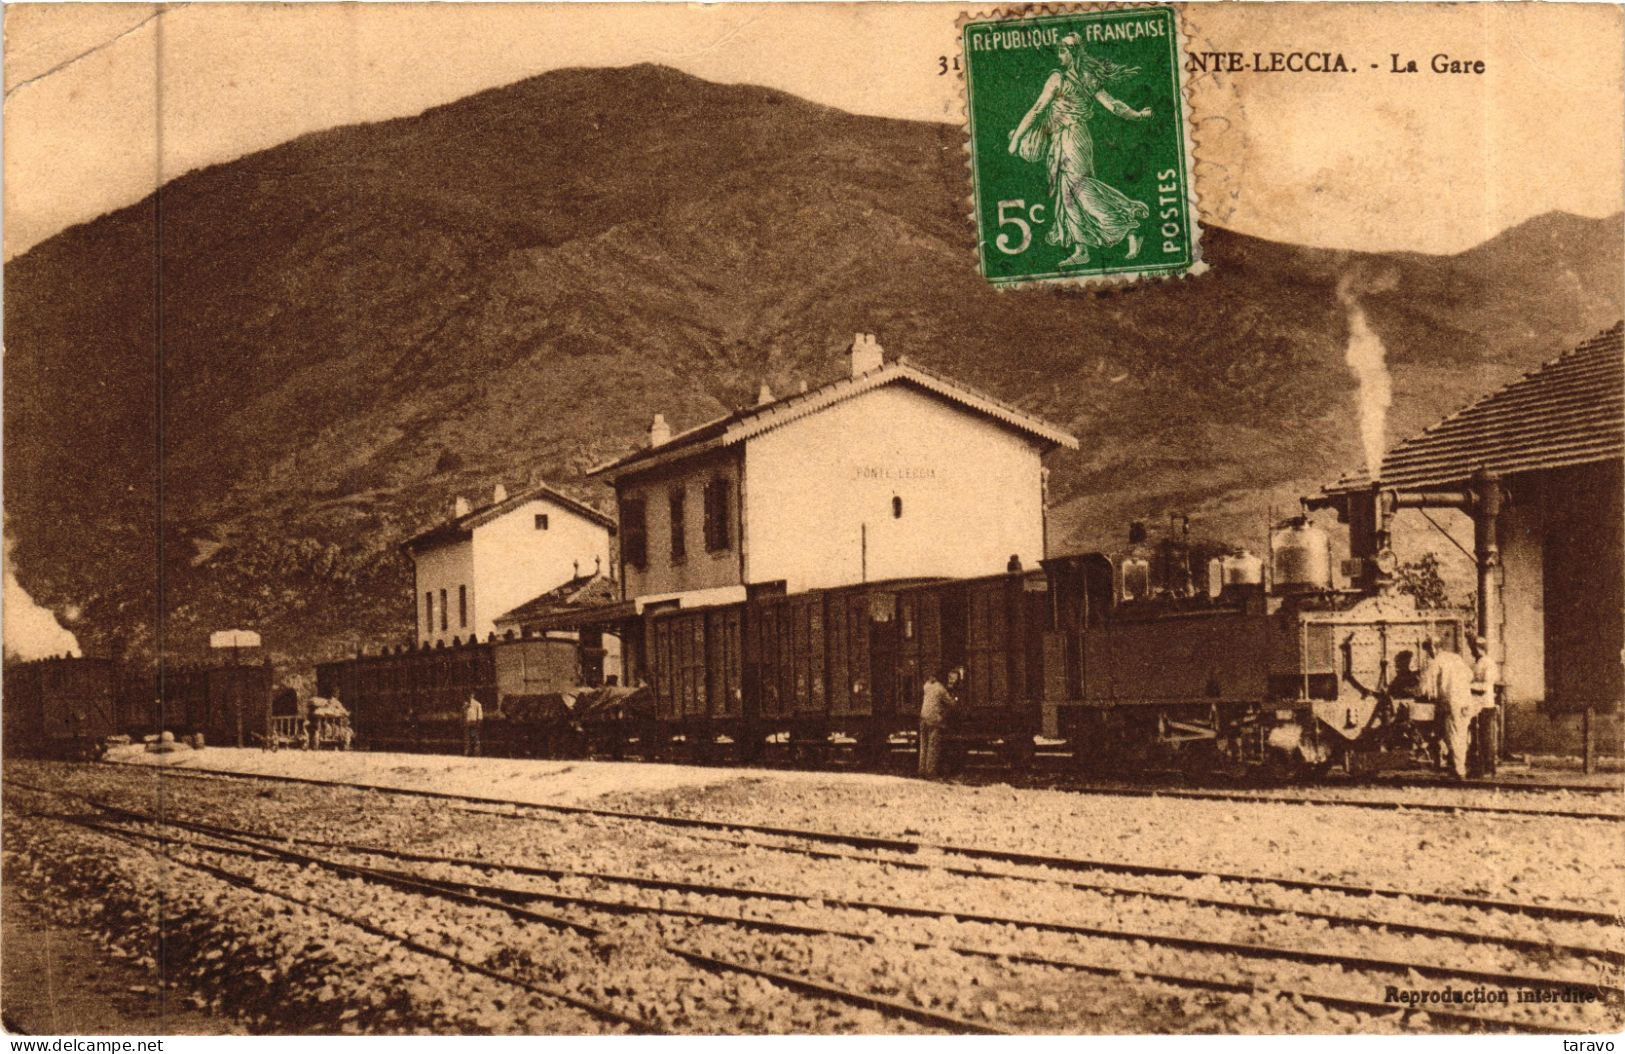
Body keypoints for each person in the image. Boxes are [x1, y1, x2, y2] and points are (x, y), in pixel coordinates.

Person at [1007, 33, 1154, 266]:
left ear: (1073, 53)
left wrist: (1016, 140)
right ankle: (1081, 248)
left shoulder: (1060, 79)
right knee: (1067, 193)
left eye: (1063, 51)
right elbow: (1114, 105)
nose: (1060, 55)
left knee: (1080, 188)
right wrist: (1136, 115)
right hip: (1066, 138)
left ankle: (1129, 228)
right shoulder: (1085, 78)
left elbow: (1037, 109)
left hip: (1073, 138)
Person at [1421, 637, 1477, 779]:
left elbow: (1424, 687)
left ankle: (1459, 771)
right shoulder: (1456, 657)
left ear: (1433, 648)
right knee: (1462, 736)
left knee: (1453, 737)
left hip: (1453, 703)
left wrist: (1421, 691)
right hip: (1466, 701)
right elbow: (1470, 676)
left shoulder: (1437, 661)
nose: (1429, 653)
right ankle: (1456, 768)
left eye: (1428, 650)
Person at [918, 669, 956, 778]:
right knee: (932, 747)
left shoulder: (926, 686)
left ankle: (921, 771)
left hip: (923, 718)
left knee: (923, 746)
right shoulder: (940, 688)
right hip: (933, 720)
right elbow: (951, 703)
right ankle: (930, 773)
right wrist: (955, 700)